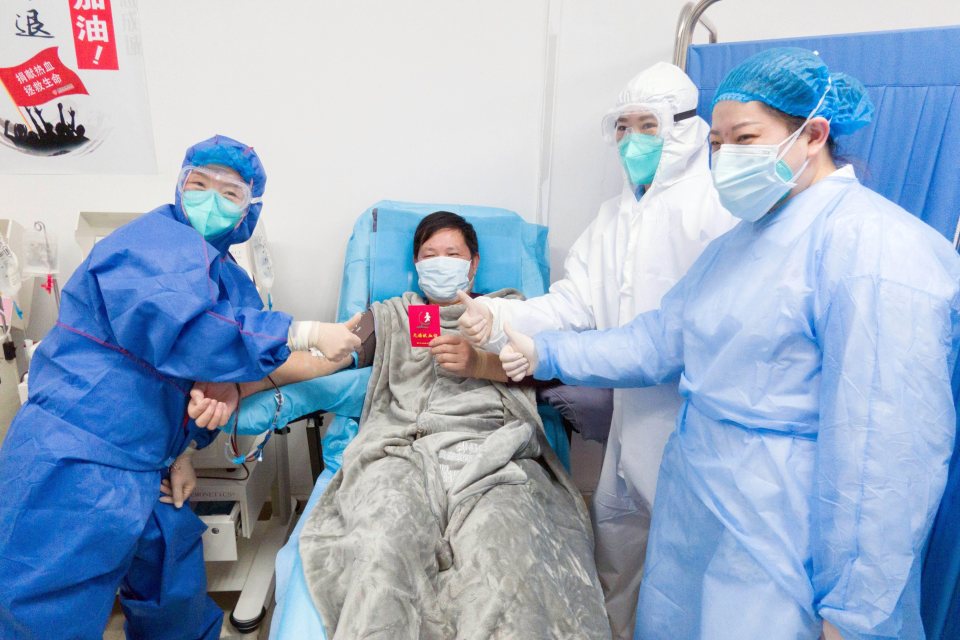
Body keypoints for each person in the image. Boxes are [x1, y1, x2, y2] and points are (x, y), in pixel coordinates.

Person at [497, 48, 960, 640]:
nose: (725, 158)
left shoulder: (878, 252)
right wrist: (549, 353)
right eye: (717, 143)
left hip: (785, 532)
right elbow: (659, 341)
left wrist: (856, 610)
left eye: (744, 138)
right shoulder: (739, 244)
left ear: (813, 133)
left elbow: (886, 452)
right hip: (701, 503)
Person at [0, 135, 361, 640]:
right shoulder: (147, 245)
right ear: (179, 184)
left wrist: (189, 441)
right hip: (76, 460)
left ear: (250, 210)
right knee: (44, 611)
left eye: (230, 193)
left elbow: (224, 365)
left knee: (174, 593)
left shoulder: (230, 279)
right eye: (199, 184)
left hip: (149, 464)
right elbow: (193, 331)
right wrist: (303, 331)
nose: (211, 198)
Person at [457, 62, 735, 637]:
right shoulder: (615, 217)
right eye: (624, 127)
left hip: (691, 423)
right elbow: (571, 302)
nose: (632, 141)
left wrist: (528, 352)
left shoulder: (716, 208)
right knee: (616, 552)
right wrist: (495, 316)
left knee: (690, 578)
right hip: (629, 426)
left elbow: (678, 341)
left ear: (683, 128)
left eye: (647, 126)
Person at [251, 211, 610, 639]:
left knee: (508, 558)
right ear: (416, 266)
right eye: (429, 255)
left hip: (494, 453)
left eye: (453, 253)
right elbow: (328, 359)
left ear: (473, 263)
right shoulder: (393, 315)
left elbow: (553, 365)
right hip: (400, 451)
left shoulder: (514, 312)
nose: (441, 262)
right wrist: (245, 385)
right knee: (382, 551)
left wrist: (482, 363)